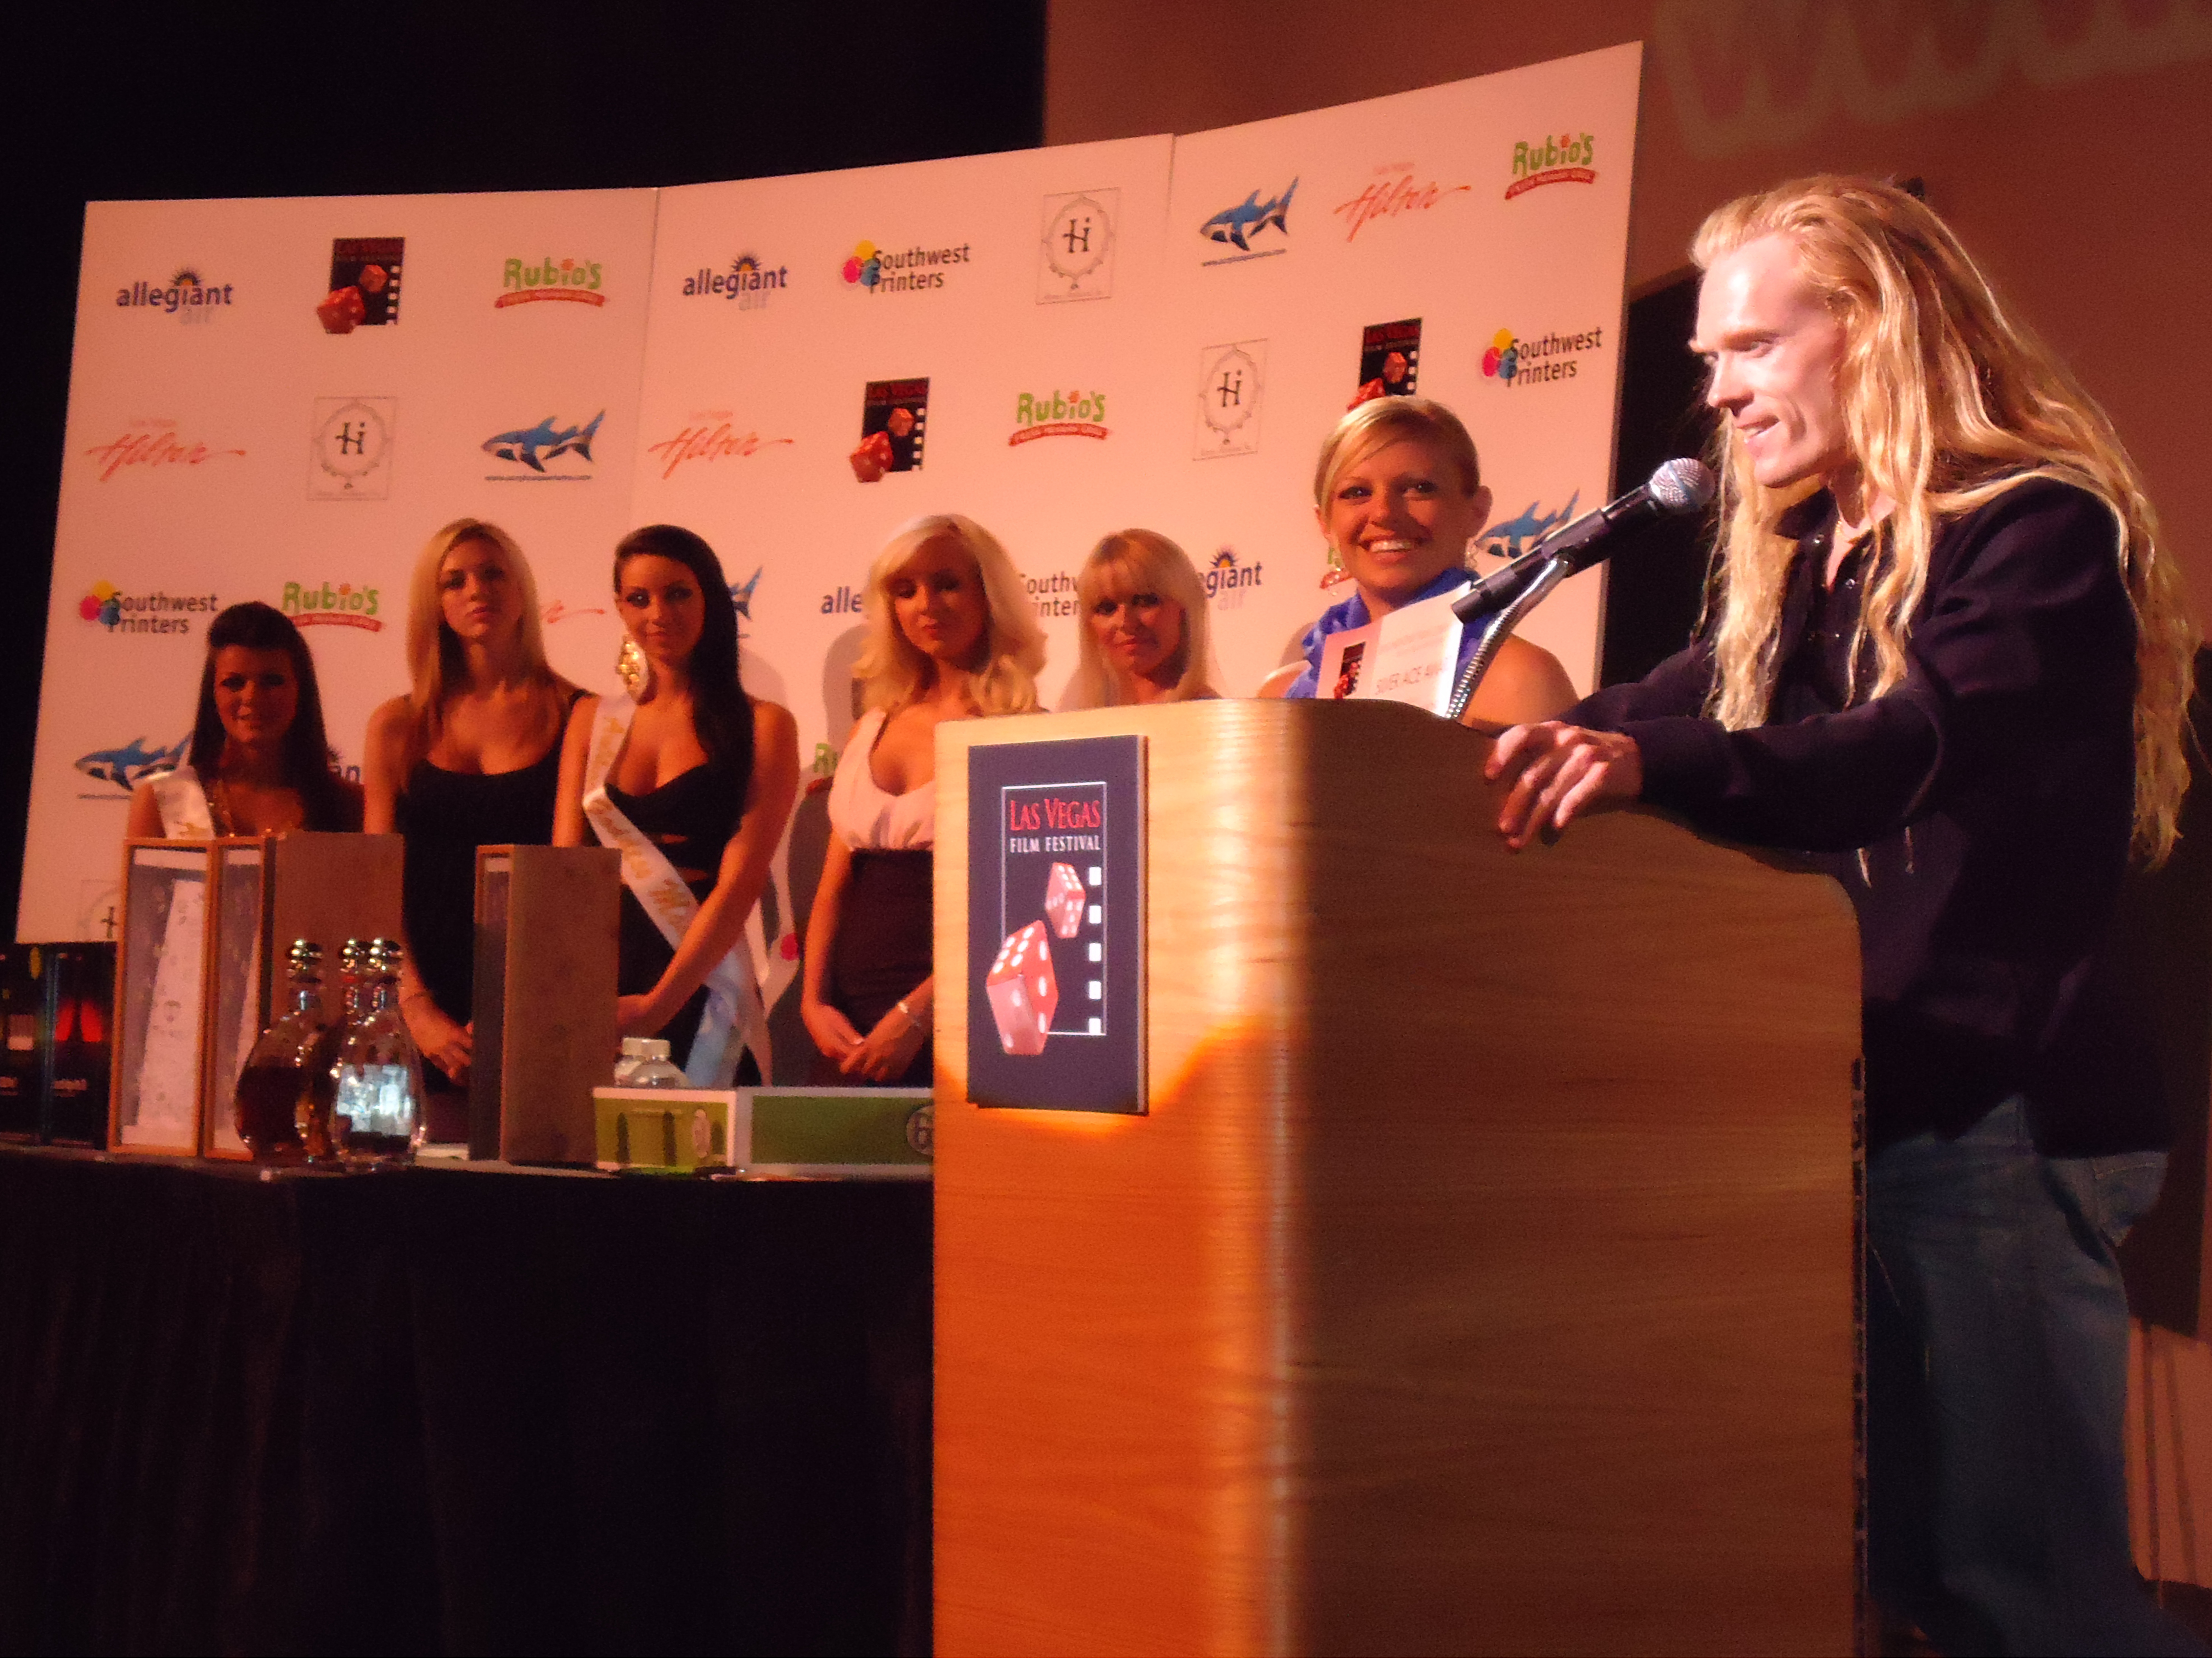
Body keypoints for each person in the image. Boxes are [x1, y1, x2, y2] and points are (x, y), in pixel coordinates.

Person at [1485, 176, 2201, 1653]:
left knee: (2026, 1593)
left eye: (1751, 347)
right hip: (1869, 1107)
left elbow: (1896, 755)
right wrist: (1449, 769)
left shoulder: (2034, 533)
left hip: (1999, 1113)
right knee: (1922, 1590)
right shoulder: (1812, 563)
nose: (1721, 391)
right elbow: (1656, 709)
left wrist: (1642, 765)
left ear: (1874, 327)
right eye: (1708, 362)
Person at [802, 514, 1045, 1086]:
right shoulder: (872, 726)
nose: (926, 604)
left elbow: (1019, 914)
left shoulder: (1022, 731)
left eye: (947, 583)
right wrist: (812, 1002)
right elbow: (835, 887)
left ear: (989, 594)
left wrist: (918, 1015)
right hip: (849, 1029)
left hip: (965, 1022)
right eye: (905, 590)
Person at [553, 525, 800, 1086]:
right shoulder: (591, 720)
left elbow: (740, 883)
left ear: (710, 596)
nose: (658, 613)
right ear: (619, 608)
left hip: (701, 977)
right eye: (639, 599)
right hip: (599, 980)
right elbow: (562, 876)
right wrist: (574, 992)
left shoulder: (764, 726)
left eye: (678, 593)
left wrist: (660, 1004)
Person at [362, 519, 578, 1124]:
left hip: (538, 1006)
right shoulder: (394, 726)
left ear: (522, 589)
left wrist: (515, 1006)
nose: (475, 590)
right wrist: (416, 1009)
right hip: (417, 1010)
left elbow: (569, 884)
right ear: (434, 603)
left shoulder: (576, 714)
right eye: (453, 580)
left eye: (492, 573)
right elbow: (376, 886)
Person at [1269, 395, 1578, 724]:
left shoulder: (1519, 681)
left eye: (1419, 488)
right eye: (1356, 493)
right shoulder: (1280, 698)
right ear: (1325, 523)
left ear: (1477, 510)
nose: (1385, 513)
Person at [126, 601, 362, 839]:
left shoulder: (352, 806)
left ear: (301, 689)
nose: (252, 697)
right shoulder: (161, 801)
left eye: (271, 681)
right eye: (234, 683)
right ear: (213, 694)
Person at [1061, 528, 1220, 708]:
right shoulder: (1079, 719)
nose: (1125, 622)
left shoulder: (1211, 720)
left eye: (1144, 602)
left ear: (1184, 606)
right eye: (1107, 608)